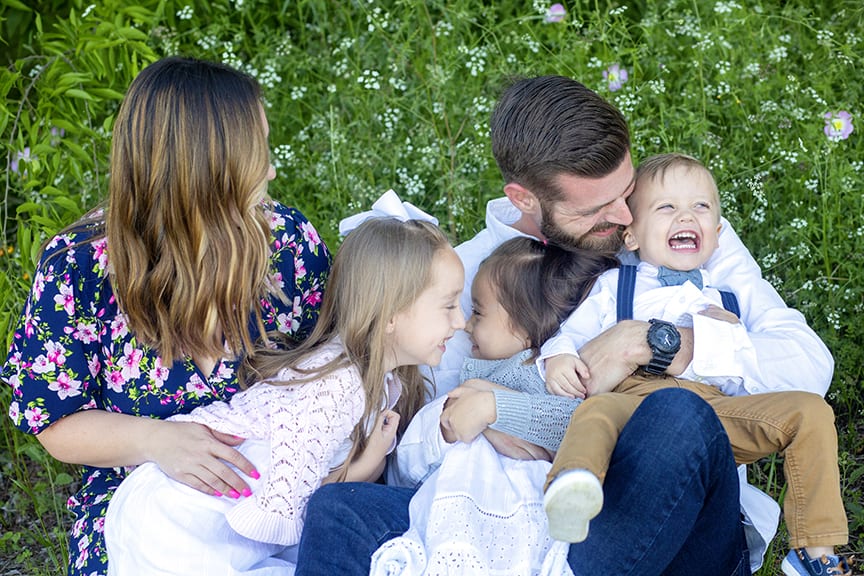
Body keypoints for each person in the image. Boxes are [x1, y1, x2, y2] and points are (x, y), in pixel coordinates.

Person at [297, 74, 821, 575]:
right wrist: (495, 411)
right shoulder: (466, 279)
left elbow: (809, 369)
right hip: (512, 514)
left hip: (662, 515)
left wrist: (658, 343)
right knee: (339, 510)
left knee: (675, 413)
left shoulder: (676, 225)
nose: (624, 217)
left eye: (628, 190)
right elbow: (416, 447)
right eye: (598, 207)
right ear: (525, 198)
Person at [1, 57, 331, 576]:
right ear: (207, 170)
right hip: (141, 497)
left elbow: (330, 373)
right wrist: (156, 441)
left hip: (278, 481)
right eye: (258, 154)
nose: (270, 170)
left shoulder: (288, 246)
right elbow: (54, 419)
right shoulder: (79, 269)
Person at [538, 153, 849, 575]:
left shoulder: (728, 298)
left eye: (700, 206)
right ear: (631, 237)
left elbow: (768, 374)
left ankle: (817, 550)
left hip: (716, 412)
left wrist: (730, 336)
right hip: (637, 403)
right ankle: (572, 488)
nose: (686, 215)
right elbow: (573, 337)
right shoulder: (617, 286)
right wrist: (558, 358)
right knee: (596, 411)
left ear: (718, 234)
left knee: (811, 411)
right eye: (666, 207)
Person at [104, 216, 466, 575]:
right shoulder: (339, 384)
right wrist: (362, 469)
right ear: (391, 314)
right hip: (181, 520)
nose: (461, 321)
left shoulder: (381, 382)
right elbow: (289, 503)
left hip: (226, 525)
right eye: (449, 306)